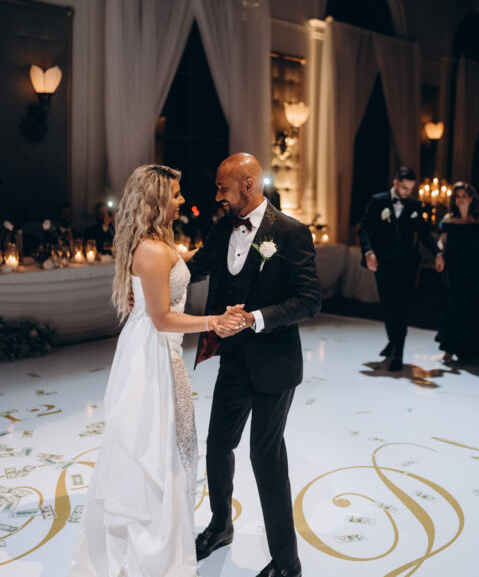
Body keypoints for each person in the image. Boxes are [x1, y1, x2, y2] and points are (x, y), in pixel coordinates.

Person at [68, 164, 243, 577]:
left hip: (153, 347)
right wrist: (214, 321)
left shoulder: (155, 242)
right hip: (153, 355)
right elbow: (162, 318)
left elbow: (171, 280)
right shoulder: (152, 249)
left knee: (163, 441)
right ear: (157, 198)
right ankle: (151, 547)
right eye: (176, 194)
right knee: (155, 446)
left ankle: (157, 533)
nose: (182, 200)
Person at [189, 153, 322, 577]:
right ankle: (220, 525)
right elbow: (195, 268)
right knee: (217, 445)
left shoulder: (290, 232)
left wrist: (255, 318)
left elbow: (309, 301)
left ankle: (287, 562)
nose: (217, 195)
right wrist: (150, 274)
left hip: (275, 364)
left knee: (266, 458)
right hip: (233, 360)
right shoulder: (221, 228)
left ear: (248, 184)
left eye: (222, 187)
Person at [359, 166, 445, 372]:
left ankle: (399, 352)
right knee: (388, 305)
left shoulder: (414, 205)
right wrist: (368, 252)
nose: (407, 192)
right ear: (396, 182)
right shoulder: (378, 201)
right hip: (382, 263)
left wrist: (437, 253)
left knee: (401, 307)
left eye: (410, 189)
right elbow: (364, 229)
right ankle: (393, 341)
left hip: (406, 265)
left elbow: (424, 233)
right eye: (404, 187)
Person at [435, 181, 479, 363]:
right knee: (452, 307)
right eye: (457, 196)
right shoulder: (448, 219)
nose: (460, 199)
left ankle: (471, 349)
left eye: (464, 196)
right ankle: (449, 348)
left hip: (475, 269)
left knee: (473, 307)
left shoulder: (478, 219)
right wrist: (439, 254)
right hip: (454, 269)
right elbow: (441, 241)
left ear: (471, 198)